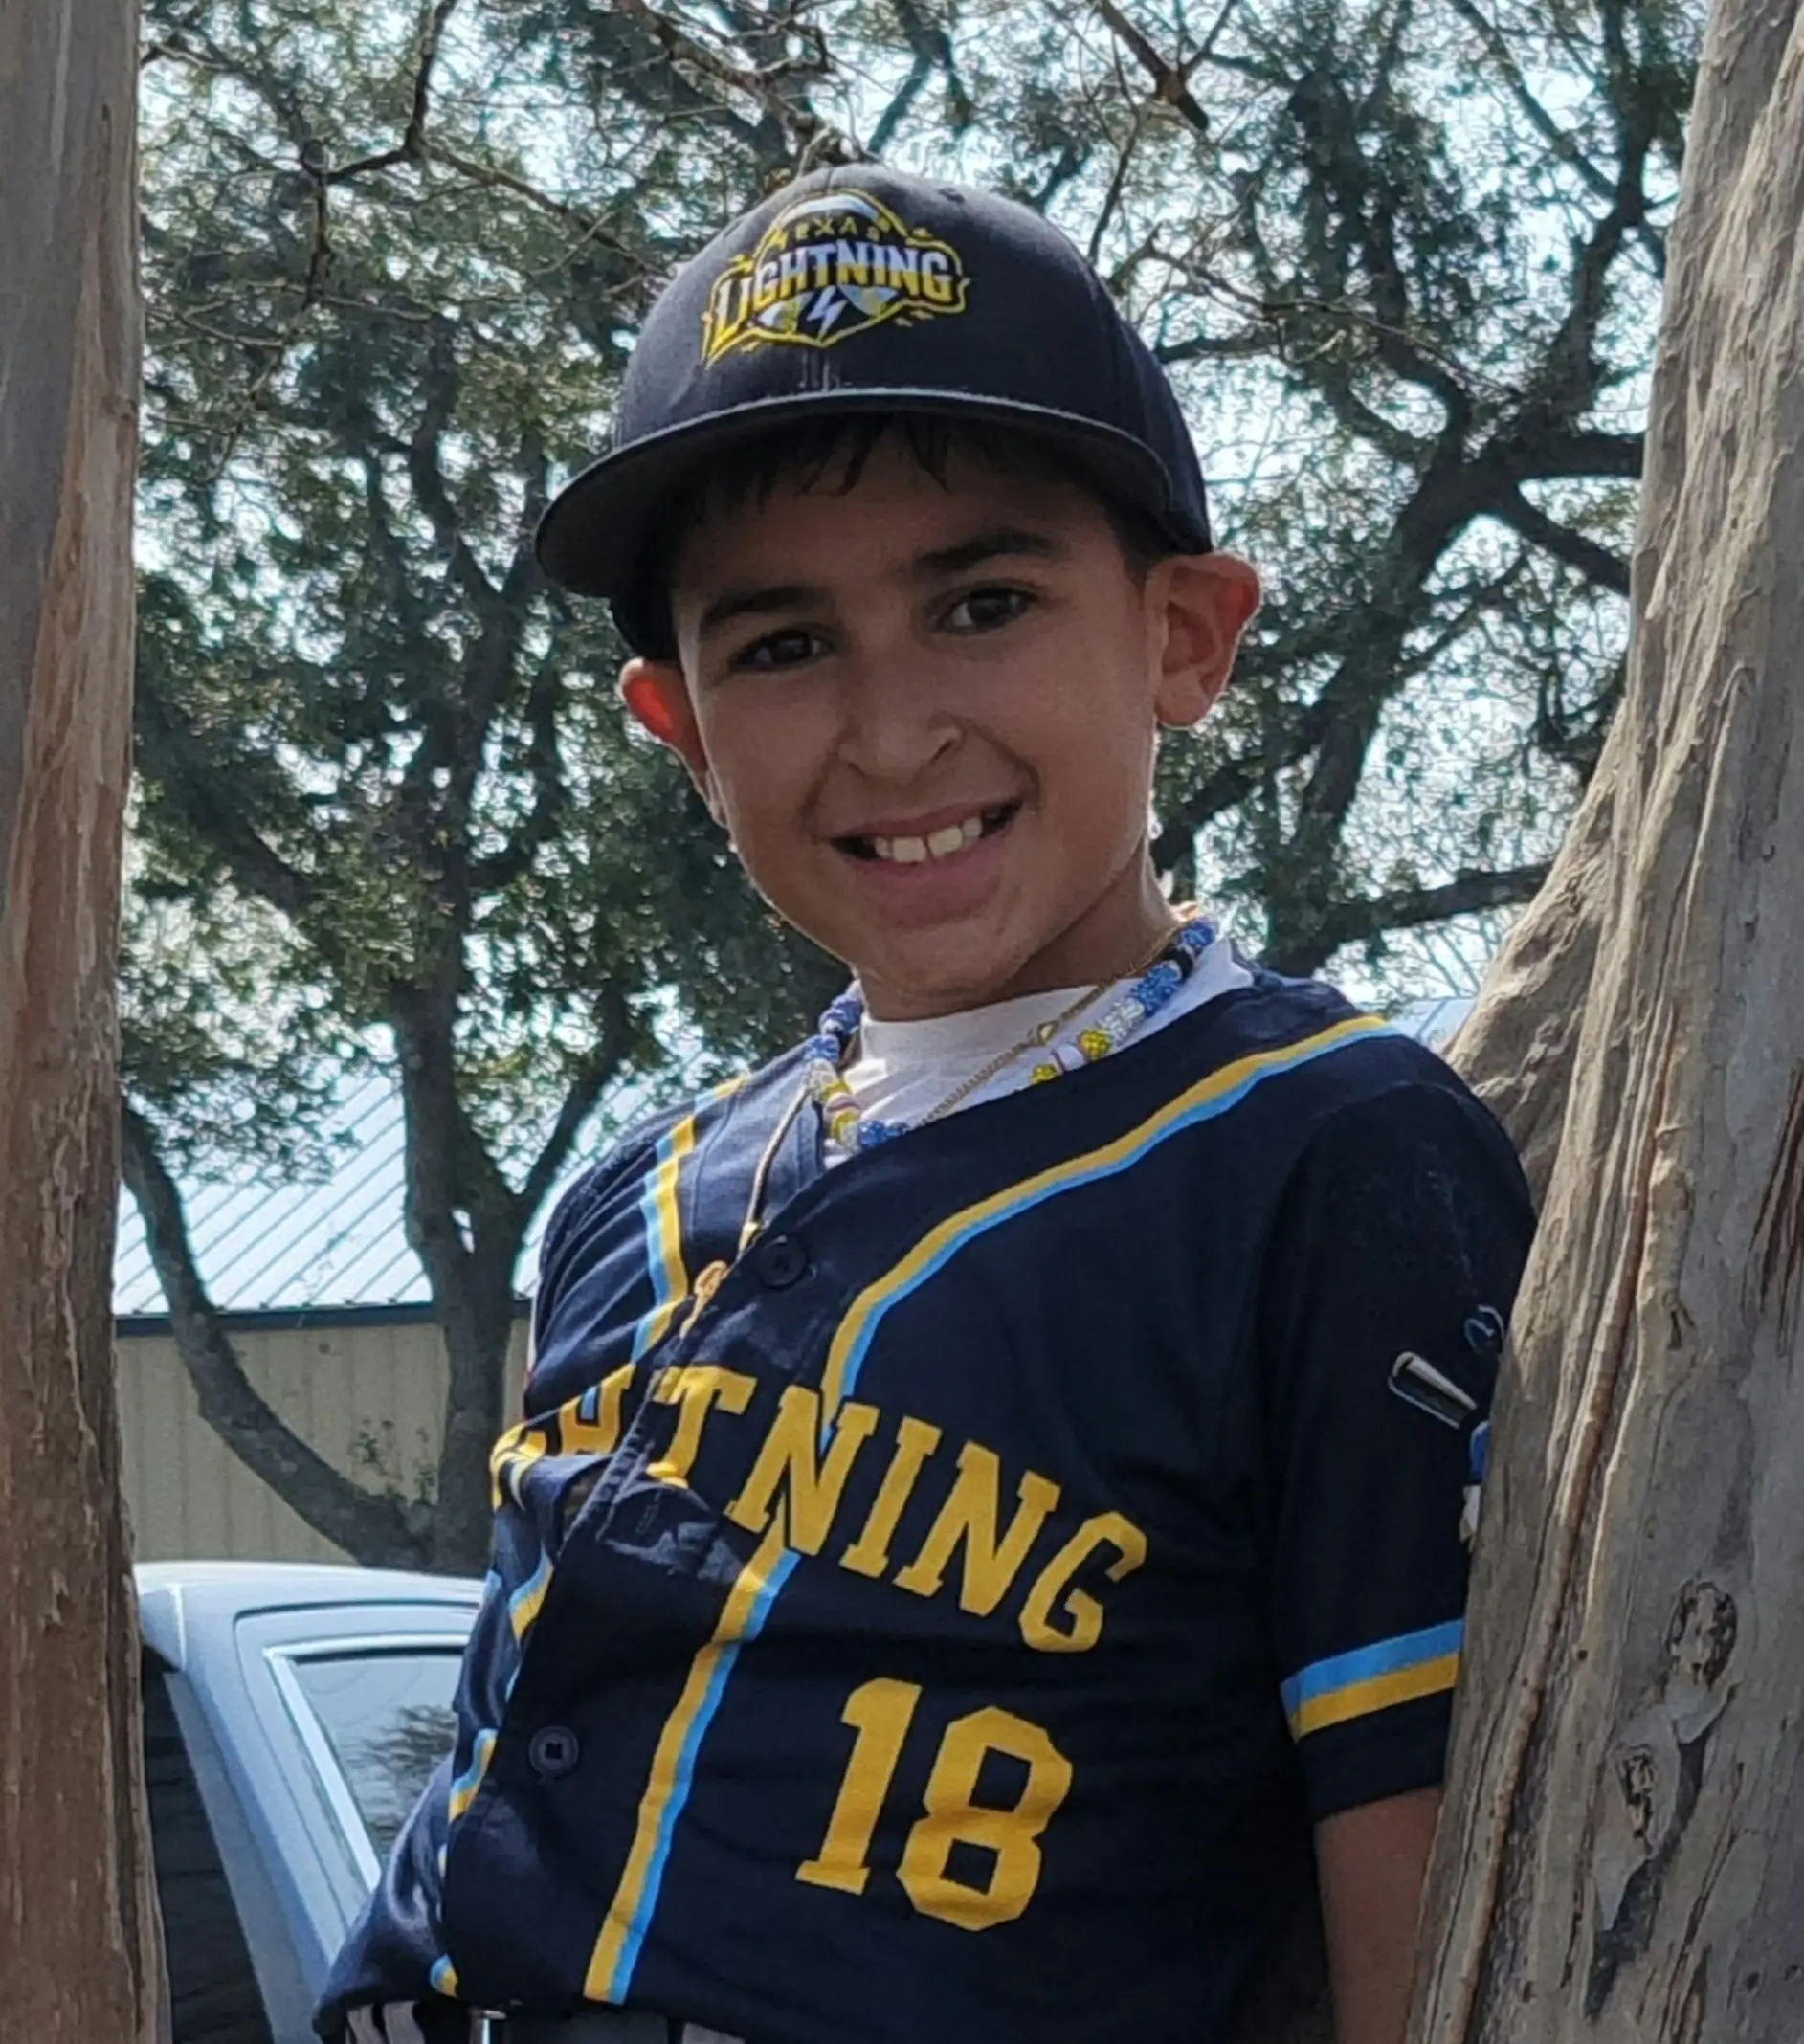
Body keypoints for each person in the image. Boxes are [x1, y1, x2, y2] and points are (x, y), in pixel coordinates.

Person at [316, 166, 1533, 2044]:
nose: (893, 733)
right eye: (783, 645)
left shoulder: (1330, 1153)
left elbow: (1423, 1884)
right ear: (680, 724)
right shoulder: (629, 1207)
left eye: (983, 602)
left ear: (1186, 636)